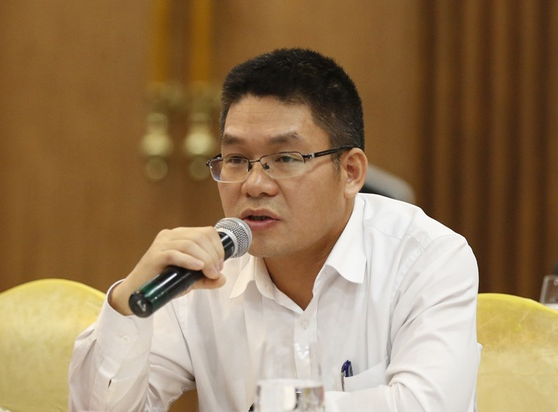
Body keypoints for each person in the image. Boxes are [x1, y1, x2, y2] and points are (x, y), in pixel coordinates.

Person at [69, 48, 480, 411]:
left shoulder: (427, 258)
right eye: (236, 159)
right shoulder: (200, 273)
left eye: (285, 159)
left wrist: (281, 403)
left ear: (351, 172)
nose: (254, 185)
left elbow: (426, 406)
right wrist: (127, 301)